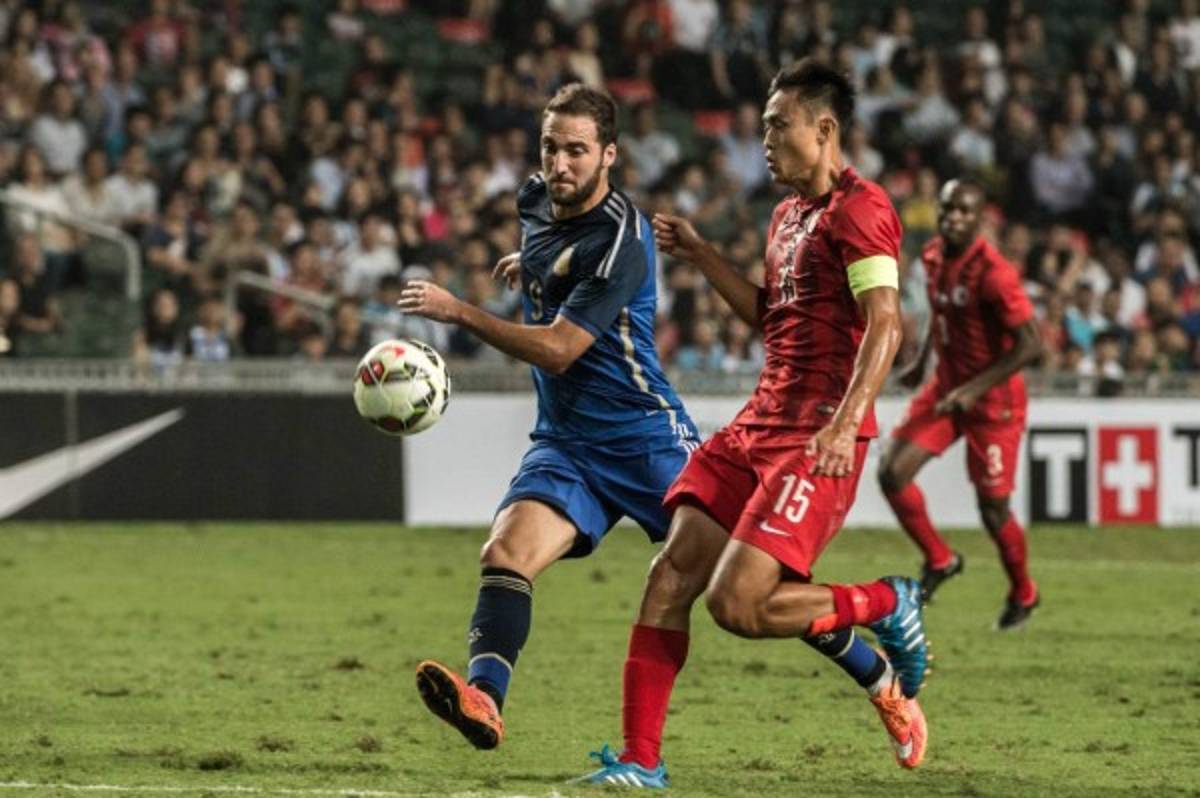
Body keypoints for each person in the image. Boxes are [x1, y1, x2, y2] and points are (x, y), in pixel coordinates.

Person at [581, 59, 928, 789]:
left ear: (823, 129)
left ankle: (888, 600)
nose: (763, 138)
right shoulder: (787, 216)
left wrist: (845, 422)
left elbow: (886, 324)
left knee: (736, 604)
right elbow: (776, 322)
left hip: (817, 437)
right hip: (757, 425)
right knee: (670, 574)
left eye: (778, 125)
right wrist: (706, 255)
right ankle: (643, 762)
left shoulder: (862, 211)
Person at [398, 83, 699, 751]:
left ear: (609, 155)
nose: (560, 164)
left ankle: (872, 658)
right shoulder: (536, 199)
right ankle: (484, 699)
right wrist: (531, 269)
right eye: (550, 148)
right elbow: (554, 255)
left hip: (646, 436)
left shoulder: (626, 236)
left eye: (577, 152)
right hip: (568, 444)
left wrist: (462, 312)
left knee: (748, 592)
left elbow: (562, 349)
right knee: (505, 554)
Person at [878, 178, 1043, 630]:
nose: (953, 218)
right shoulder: (933, 255)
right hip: (947, 388)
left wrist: (974, 389)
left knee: (993, 511)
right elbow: (944, 311)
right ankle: (940, 558)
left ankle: (1023, 592)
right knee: (891, 473)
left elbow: (1032, 345)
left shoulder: (995, 273)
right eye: (947, 209)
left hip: (994, 403)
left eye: (963, 212)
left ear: (980, 218)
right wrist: (921, 361)